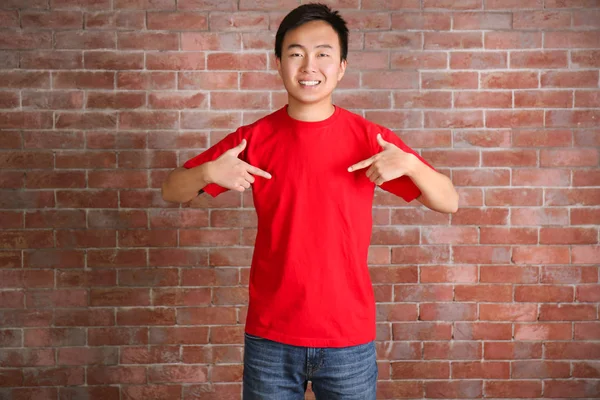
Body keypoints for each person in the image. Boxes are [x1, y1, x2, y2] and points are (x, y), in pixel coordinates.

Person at [162, 3, 458, 399]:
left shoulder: (369, 139)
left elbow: (448, 201)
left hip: (348, 337)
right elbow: (172, 190)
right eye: (296, 53)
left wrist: (410, 165)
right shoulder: (254, 138)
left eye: (323, 54)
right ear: (279, 63)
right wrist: (207, 173)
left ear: (341, 67)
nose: (308, 66)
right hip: (271, 336)